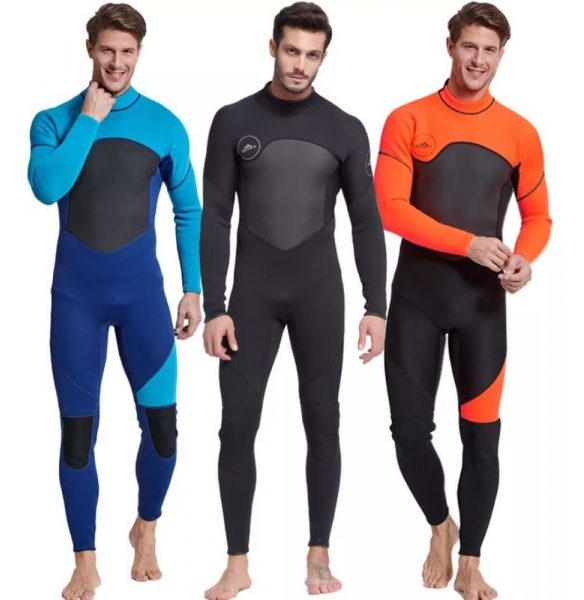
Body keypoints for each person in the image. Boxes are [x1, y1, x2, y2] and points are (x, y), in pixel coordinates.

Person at [200, 2, 387, 598]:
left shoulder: (345, 128)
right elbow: (215, 217)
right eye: (291, 51)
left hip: (318, 293)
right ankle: (237, 562)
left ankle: (318, 554)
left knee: (323, 422)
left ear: (323, 57)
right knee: (236, 426)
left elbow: (366, 221)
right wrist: (215, 306)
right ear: (272, 47)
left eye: (312, 54)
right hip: (250, 296)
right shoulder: (233, 120)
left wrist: (376, 305)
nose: (300, 64)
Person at [374, 3, 551, 599]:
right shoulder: (408, 119)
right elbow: (391, 209)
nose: (479, 60)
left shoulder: (520, 132)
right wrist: (469, 244)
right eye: (469, 46)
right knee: (408, 434)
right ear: (450, 46)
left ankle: (471, 559)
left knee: (481, 438)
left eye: (490, 50)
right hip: (417, 303)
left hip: (482, 309)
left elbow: (539, 216)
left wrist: (524, 258)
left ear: (502, 55)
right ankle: (440, 525)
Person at [27, 4, 202, 599]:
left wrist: (193, 288)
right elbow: (46, 187)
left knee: (163, 430)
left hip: (142, 300)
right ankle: (85, 561)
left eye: (127, 52)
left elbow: (188, 210)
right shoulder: (53, 120)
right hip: (75, 302)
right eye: (107, 50)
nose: (117, 62)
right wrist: (89, 120)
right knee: (78, 436)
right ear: (90, 50)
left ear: (139, 53)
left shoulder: (165, 124)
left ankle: (145, 528)